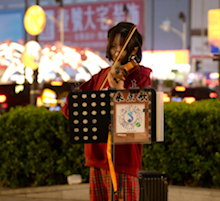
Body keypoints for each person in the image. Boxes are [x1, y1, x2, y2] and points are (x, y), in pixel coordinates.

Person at [61, 22, 152, 201]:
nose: (117, 52)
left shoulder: (141, 77)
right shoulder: (101, 76)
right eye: (113, 47)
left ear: (134, 50)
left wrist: (119, 90)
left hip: (124, 161)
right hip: (96, 158)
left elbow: (135, 122)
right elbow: (70, 107)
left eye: (121, 47)